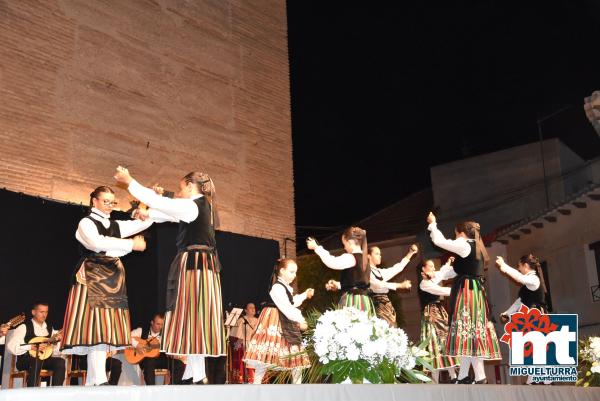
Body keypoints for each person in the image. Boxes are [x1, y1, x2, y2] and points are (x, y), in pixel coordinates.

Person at [114, 167, 226, 384]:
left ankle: (197, 374)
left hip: (196, 266)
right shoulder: (201, 207)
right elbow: (170, 212)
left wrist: (130, 182)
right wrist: (148, 213)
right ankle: (195, 373)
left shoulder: (194, 205)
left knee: (193, 314)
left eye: (181, 187)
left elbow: (168, 206)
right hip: (200, 264)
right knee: (193, 316)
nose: (179, 191)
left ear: (191, 186)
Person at [60, 185, 150, 386]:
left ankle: (95, 380)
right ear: (94, 201)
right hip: (91, 276)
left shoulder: (115, 224)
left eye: (112, 202)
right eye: (105, 201)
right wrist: (130, 245)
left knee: (104, 328)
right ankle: (98, 379)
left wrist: (149, 207)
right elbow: (95, 243)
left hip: (111, 278)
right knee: (94, 327)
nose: (109, 205)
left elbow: (139, 226)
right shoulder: (86, 222)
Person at [427, 212, 501, 384]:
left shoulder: (464, 244)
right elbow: (457, 270)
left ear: (461, 233)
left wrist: (433, 224)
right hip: (476, 292)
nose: (455, 237)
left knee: (467, 330)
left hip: (467, 291)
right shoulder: (478, 248)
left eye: (455, 233)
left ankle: (478, 376)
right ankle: (465, 376)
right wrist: (437, 275)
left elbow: (439, 241)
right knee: (469, 333)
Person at [243, 259, 313, 384]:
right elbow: (286, 307)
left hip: (284, 319)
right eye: (291, 272)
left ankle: (298, 386)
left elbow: (291, 302)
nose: (294, 275)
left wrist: (304, 295)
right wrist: (301, 320)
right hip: (274, 320)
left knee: (294, 352)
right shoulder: (277, 287)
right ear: (282, 271)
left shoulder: (285, 287)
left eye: (295, 272)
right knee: (266, 355)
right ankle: (256, 386)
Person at [325, 245, 414, 326]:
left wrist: (410, 253)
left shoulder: (380, 272)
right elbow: (376, 284)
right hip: (374, 304)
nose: (380, 256)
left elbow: (397, 268)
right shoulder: (366, 271)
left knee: (391, 328)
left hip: (386, 305)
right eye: (376, 253)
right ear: (368, 256)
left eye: (380, 254)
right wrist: (399, 285)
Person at [496, 254, 550, 385]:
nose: (519, 269)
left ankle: (543, 379)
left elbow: (519, 278)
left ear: (525, 266)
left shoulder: (534, 280)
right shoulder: (528, 284)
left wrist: (503, 265)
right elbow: (519, 301)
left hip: (535, 315)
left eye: (519, 266)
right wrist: (507, 313)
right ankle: (539, 379)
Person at [307, 227, 375, 315]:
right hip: (364, 300)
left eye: (344, 244)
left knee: (351, 325)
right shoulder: (365, 260)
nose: (344, 247)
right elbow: (358, 282)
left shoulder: (350, 257)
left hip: (353, 300)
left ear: (350, 242)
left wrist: (316, 247)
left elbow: (332, 262)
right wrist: (339, 285)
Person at [418, 258, 458, 383]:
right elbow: (440, 290)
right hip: (431, 314)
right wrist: (458, 290)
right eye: (430, 266)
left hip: (440, 312)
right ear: (423, 270)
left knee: (445, 342)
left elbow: (440, 274)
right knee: (434, 345)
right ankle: (434, 381)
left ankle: (454, 377)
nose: (433, 269)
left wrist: (448, 264)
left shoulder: (431, 280)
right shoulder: (424, 284)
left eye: (433, 266)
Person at [7, 302, 65, 387]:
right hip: (25, 360)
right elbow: (10, 346)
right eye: (41, 312)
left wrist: (56, 342)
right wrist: (30, 347)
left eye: (46, 312)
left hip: (43, 359)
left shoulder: (49, 328)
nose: (44, 315)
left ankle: (55, 392)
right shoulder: (24, 327)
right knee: (37, 361)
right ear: (33, 312)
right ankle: (32, 392)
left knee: (60, 362)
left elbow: (55, 351)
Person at [131, 313, 186, 385]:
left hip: (160, 358)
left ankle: (172, 388)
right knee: (149, 362)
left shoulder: (165, 335)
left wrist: (172, 353)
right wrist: (137, 345)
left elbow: (169, 348)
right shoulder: (141, 330)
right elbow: (128, 337)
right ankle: (152, 389)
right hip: (145, 360)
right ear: (152, 322)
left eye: (161, 324)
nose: (160, 327)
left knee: (179, 364)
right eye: (158, 324)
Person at [228, 303, 258, 383]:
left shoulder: (258, 320)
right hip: (245, 345)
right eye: (250, 307)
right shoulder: (241, 320)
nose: (253, 309)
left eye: (254, 307)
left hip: (256, 346)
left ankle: (256, 380)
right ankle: (244, 379)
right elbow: (235, 335)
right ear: (245, 310)